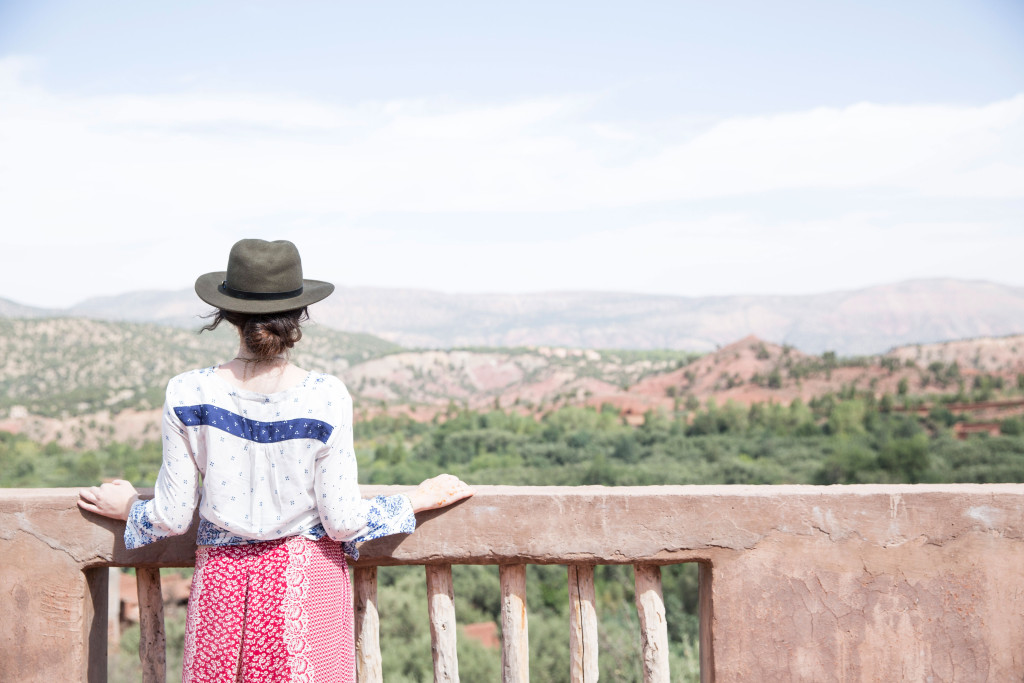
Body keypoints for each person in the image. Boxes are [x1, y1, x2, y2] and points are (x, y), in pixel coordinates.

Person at [78, 238, 474, 682]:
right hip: (305, 588)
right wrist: (416, 500)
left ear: (227, 315)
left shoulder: (188, 393)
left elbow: (171, 516)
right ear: (299, 317)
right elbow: (343, 522)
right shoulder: (326, 396)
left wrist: (130, 509)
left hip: (221, 592)